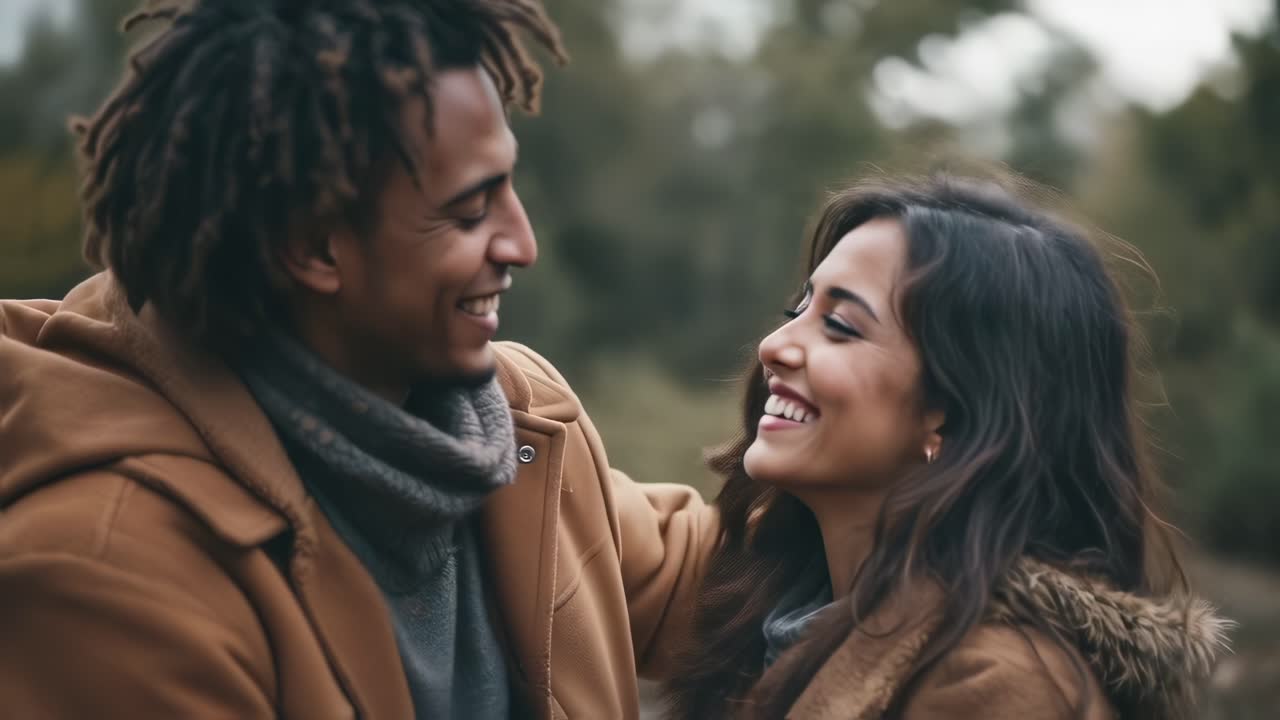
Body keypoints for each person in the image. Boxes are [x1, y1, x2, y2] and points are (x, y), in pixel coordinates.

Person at [0, 1, 715, 717]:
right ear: (312, 248)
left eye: (510, 188)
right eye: (469, 211)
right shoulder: (107, 572)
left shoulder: (517, 419)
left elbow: (725, 581)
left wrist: (827, 426)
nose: (521, 245)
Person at [662, 174, 1230, 719]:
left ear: (952, 414)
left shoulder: (1004, 687)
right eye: (799, 309)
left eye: (839, 325)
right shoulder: (777, 592)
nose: (775, 345)